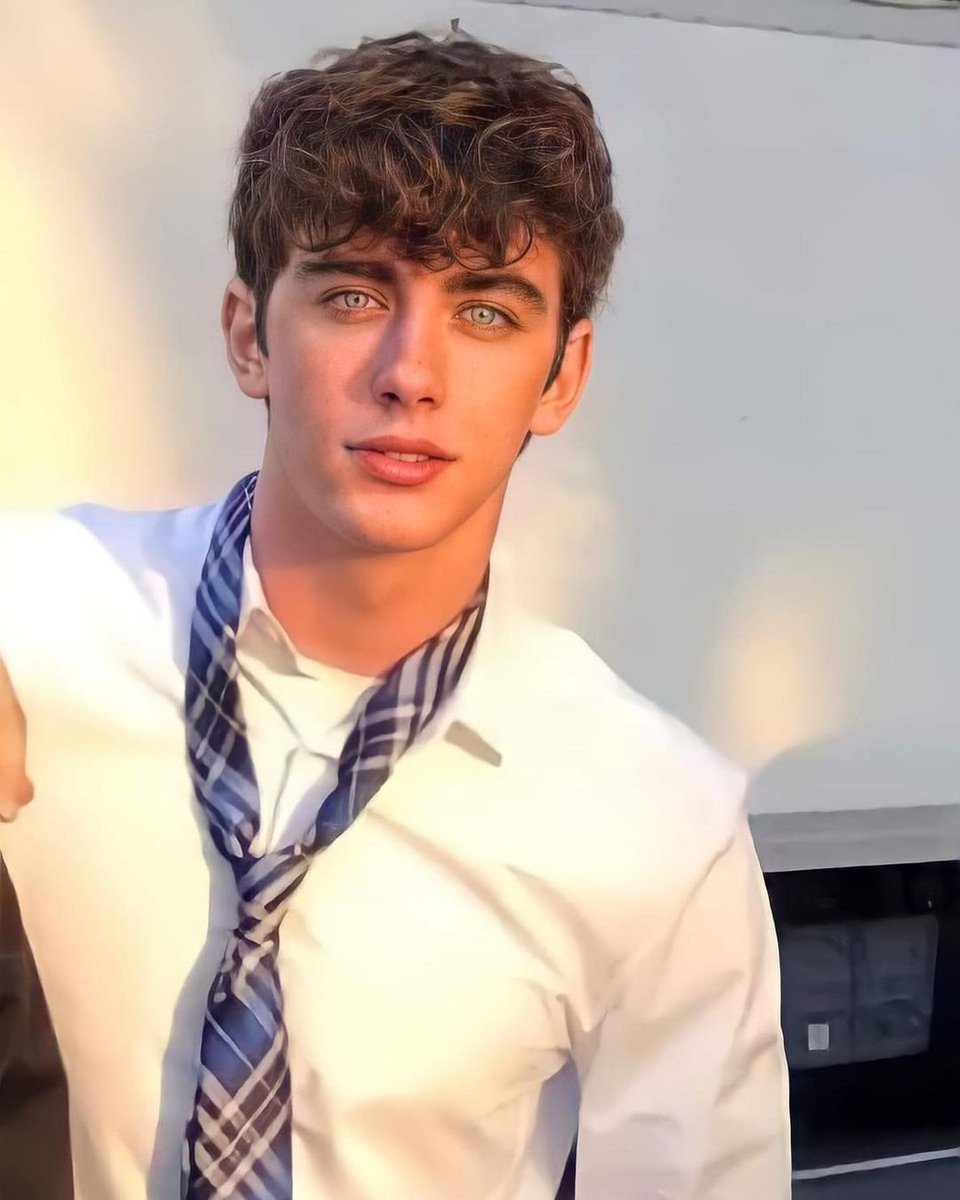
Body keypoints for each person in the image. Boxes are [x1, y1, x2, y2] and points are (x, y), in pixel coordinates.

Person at [0, 25, 791, 1200]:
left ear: (563, 376)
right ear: (248, 337)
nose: (411, 374)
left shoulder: (657, 816)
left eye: (487, 313)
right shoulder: (31, 618)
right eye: (355, 295)